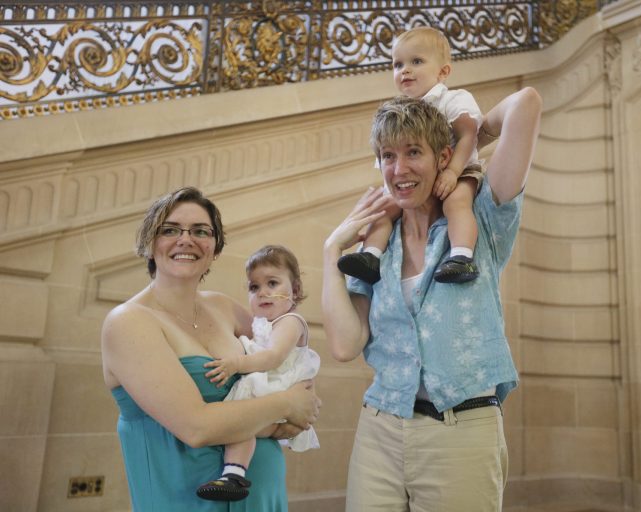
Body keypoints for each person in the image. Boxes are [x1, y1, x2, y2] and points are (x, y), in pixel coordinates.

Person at [322, 88, 541, 512]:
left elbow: (526, 103)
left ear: (440, 156)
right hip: (380, 428)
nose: (398, 169)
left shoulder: (481, 219)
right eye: (388, 155)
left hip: (462, 430)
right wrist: (332, 250)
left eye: (413, 152)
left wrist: (462, 151)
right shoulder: (376, 246)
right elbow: (345, 345)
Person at [101, 187, 321, 511]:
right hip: (184, 502)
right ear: (150, 242)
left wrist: (300, 399)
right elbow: (197, 426)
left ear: (214, 247)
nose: (186, 239)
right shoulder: (128, 322)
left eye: (201, 231)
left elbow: (287, 360)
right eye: (170, 230)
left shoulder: (224, 307)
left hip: (263, 497)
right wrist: (287, 404)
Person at [337, 26, 485, 285]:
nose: (404, 69)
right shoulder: (398, 111)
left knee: (456, 203)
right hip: (422, 177)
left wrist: (452, 172)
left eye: (416, 61)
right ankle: (371, 256)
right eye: (397, 64)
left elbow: (468, 134)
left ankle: (461, 256)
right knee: (384, 211)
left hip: (460, 170)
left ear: (443, 72)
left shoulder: (451, 99)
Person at [197, 245, 321, 501]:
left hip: (279, 386)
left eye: (272, 283)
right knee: (242, 425)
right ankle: (233, 475)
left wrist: (235, 364)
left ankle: (234, 473)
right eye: (254, 287)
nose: (263, 292)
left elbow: (273, 357)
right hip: (267, 386)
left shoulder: (290, 322)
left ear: (294, 290)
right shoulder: (261, 324)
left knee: (241, 423)